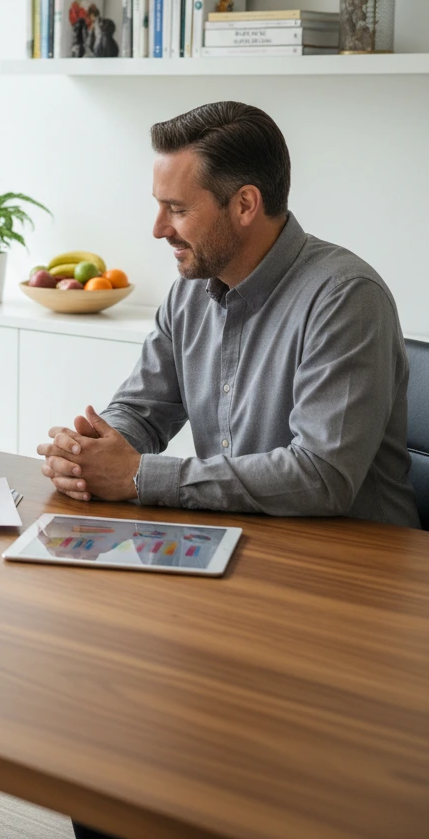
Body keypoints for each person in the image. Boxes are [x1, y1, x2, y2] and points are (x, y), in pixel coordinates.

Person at [38, 100, 420, 839]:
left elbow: (321, 476)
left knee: (237, 782)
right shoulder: (189, 292)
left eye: (175, 209)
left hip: (343, 598)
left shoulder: (345, 298)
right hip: (230, 563)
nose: (157, 230)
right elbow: (143, 411)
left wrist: (140, 477)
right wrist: (93, 449)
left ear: (244, 206)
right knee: (106, 754)